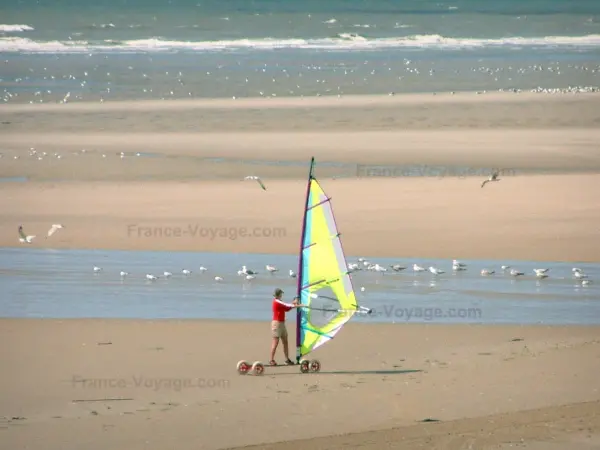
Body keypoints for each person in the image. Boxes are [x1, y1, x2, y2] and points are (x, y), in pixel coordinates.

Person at [270, 288, 304, 366]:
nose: (282, 295)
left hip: (282, 324)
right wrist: (298, 305)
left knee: (285, 342)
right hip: (276, 324)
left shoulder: (280, 302)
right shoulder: (276, 301)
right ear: (278, 294)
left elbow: (287, 308)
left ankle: (287, 359)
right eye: (281, 294)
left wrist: (294, 304)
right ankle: (271, 360)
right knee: (275, 342)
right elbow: (287, 305)